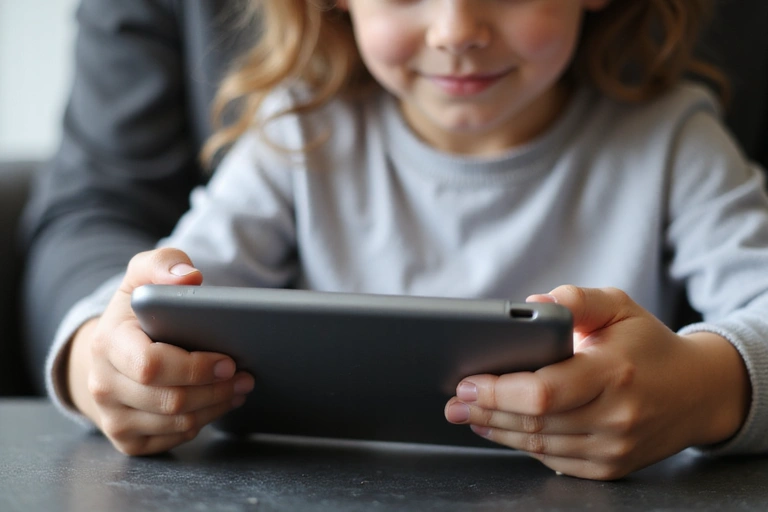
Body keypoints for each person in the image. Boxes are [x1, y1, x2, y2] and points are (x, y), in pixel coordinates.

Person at [25, 0, 768, 481]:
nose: (456, 30)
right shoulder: (296, 136)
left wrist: (703, 390)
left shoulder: (675, 142)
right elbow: (158, 301)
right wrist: (106, 360)